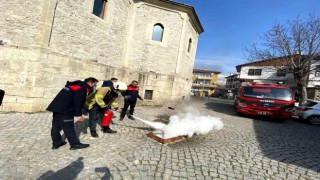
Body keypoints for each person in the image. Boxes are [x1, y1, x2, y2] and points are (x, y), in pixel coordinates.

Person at [47, 77, 98, 150]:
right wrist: (79, 115)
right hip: (66, 110)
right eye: (94, 85)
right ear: (90, 83)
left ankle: (56, 143)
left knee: (56, 127)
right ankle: (75, 144)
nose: (94, 86)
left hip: (56, 108)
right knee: (69, 128)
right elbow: (78, 102)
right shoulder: (82, 89)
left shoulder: (72, 85)